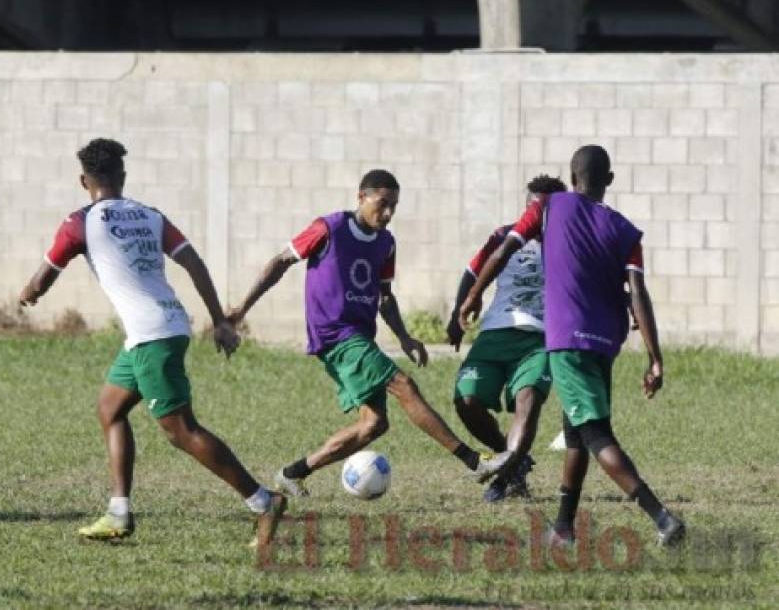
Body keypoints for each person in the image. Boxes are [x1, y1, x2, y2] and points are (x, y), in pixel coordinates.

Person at [19, 138, 286, 545]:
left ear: (83, 180)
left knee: (181, 431)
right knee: (110, 408)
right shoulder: (151, 216)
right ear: (122, 177)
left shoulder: (80, 222)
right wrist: (219, 320)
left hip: (152, 337)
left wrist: (29, 294)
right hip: (163, 326)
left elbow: (42, 277)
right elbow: (193, 261)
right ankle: (118, 512)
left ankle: (263, 501)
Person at [228, 169, 510, 498]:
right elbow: (280, 262)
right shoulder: (329, 228)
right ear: (361, 197)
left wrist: (404, 337)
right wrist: (242, 309)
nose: (388, 213)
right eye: (382, 204)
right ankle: (474, 461)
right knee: (403, 385)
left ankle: (292, 474)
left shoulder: (385, 243)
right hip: (334, 335)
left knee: (373, 425)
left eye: (394, 206)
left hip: (360, 336)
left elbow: (384, 297)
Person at [459, 145, 685, 547]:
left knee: (596, 434)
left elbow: (506, 249)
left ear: (571, 174)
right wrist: (655, 357)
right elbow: (637, 292)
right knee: (576, 431)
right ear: (609, 181)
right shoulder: (624, 230)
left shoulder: (547, 206)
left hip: (568, 340)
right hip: (605, 343)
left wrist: (475, 294)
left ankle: (662, 518)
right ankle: (563, 528)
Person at [446, 175, 567, 503]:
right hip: (495, 332)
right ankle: (511, 462)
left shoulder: (571, 243)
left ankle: (502, 479)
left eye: (547, 208)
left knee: (527, 401)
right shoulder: (504, 236)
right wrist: (458, 313)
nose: (540, 214)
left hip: (540, 338)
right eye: (534, 206)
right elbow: (473, 273)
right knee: (466, 400)